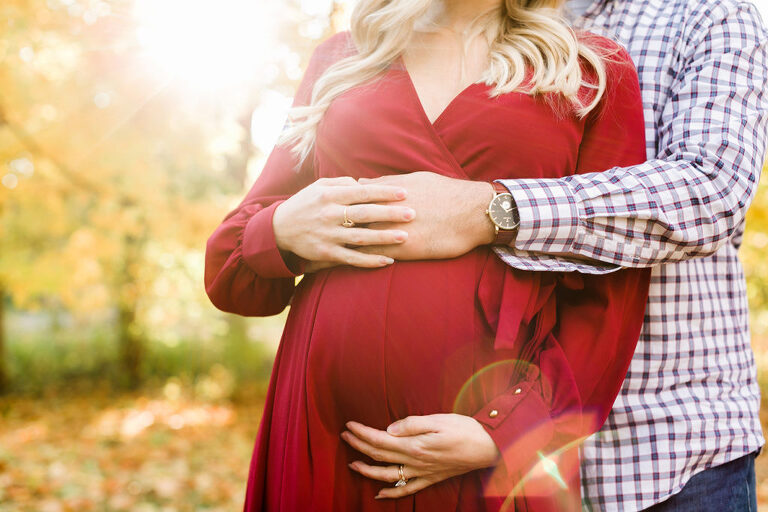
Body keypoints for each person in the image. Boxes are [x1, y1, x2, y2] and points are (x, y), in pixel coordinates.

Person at [204, 0, 653, 510]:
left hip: (482, 437)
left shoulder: (590, 69)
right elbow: (230, 267)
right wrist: (281, 228)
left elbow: (610, 280)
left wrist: (508, 430)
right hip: (323, 422)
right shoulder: (345, 56)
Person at [328, 0, 768, 510]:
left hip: (661, 441)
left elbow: (709, 193)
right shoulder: (460, 18)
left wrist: (493, 211)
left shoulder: (707, 14)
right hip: (480, 441)